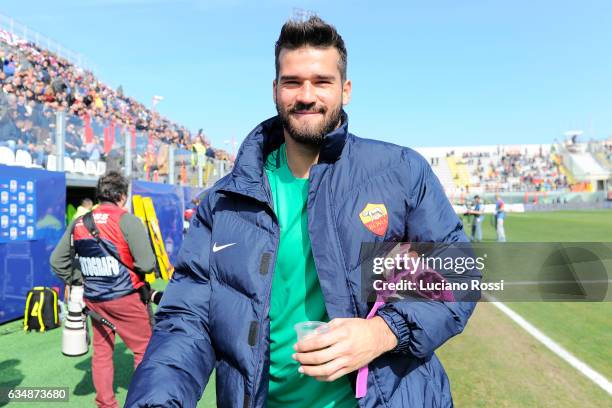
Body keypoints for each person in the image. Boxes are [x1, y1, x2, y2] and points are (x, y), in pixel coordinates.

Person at [125, 16, 477, 408]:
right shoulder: (224, 202)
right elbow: (186, 320)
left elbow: (458, 270)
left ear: (345, 89)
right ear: (275, 90)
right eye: (293, 82)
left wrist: (382, 333)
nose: (306, 95)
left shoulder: (399, 171)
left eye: (322, 82)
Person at [50, 171, 157, 408]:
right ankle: (143, 402)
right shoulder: (127, 220)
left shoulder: (79, 222)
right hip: (127, 297)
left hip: (95, 300)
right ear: (121, 196)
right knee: (144, 351)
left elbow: (57, 262)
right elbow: (147, 264)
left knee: (102, 353)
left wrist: (80, 278)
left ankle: (106, 404)